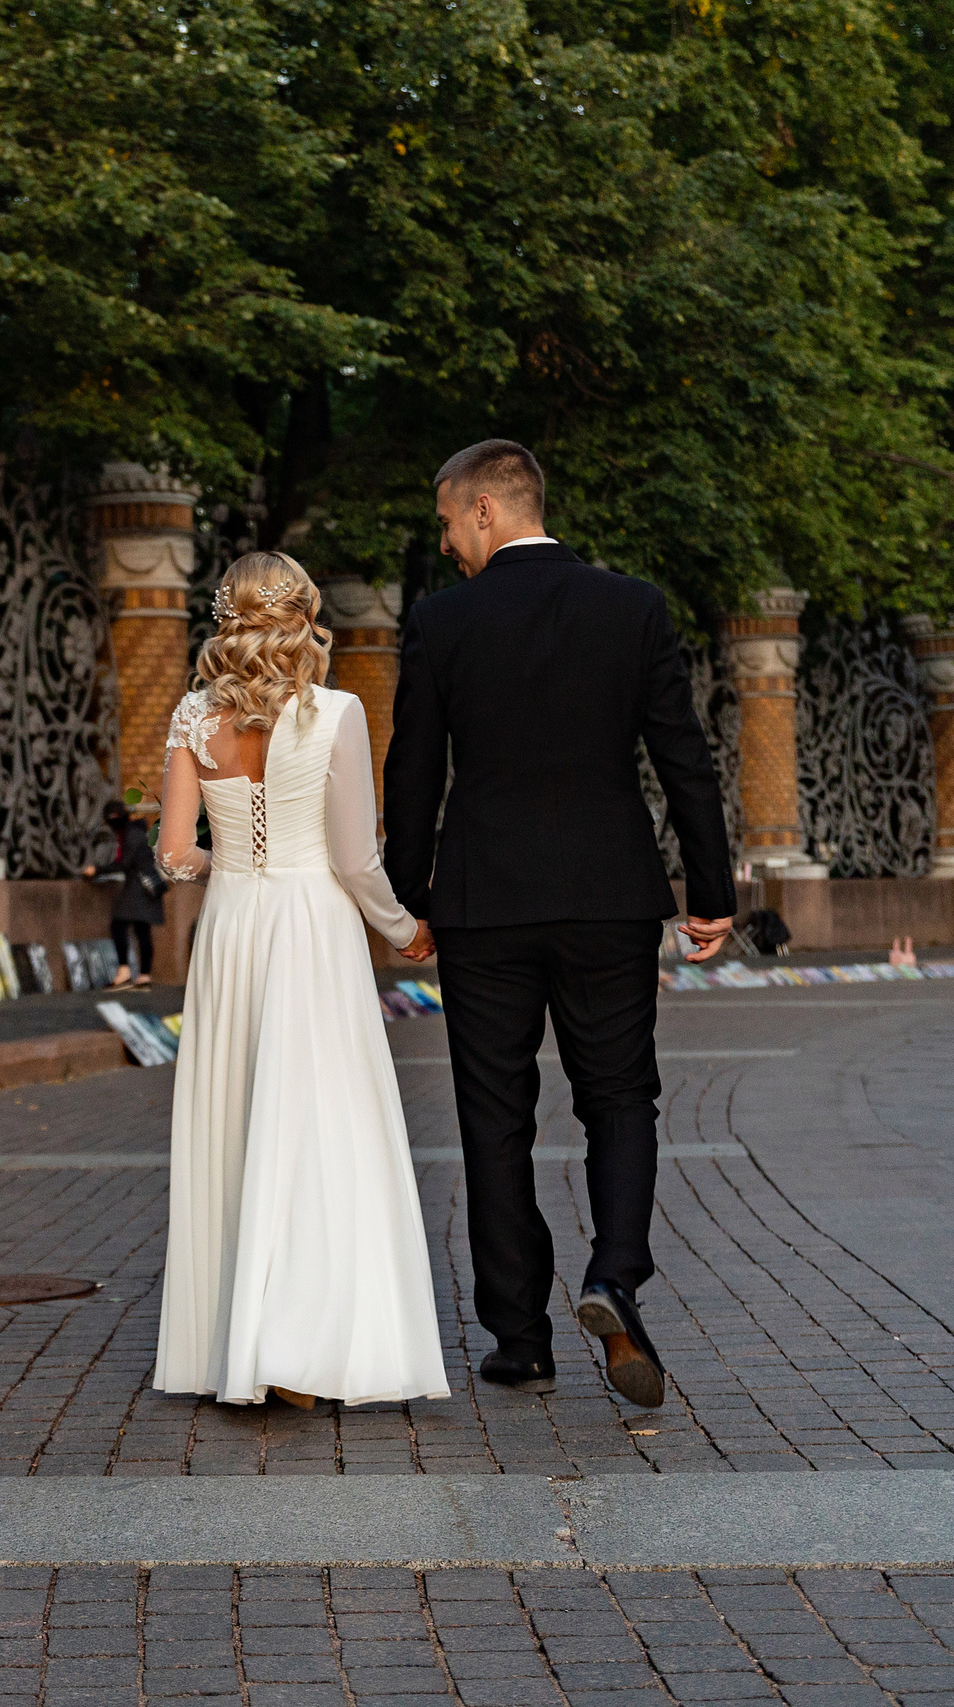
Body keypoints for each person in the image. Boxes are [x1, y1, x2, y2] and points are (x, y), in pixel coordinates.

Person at [382, 439, 735, 1409]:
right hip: (608, 893)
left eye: (450, 522)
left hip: (485, 902)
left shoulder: (444, 621)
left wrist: (406, 899)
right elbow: (683, 758)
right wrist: (710, 892)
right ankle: (612, 1275)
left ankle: (518, 1340)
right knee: (619, 1097)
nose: (448, 542)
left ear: (487, 511)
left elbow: (412, 772)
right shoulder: (631, 608)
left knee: (494, 1119)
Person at [151, 551, 450, 1409]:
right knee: (323, 1125)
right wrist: (404, 928)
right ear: (304, 615)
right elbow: (356, 858)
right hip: (313, 925)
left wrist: (229, 859)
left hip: (235, 924)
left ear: (229, 616)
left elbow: (174, 855)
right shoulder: (338, 713)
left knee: (236, 1120)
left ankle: (236, 1344)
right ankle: (301, 1343)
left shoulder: (192, 714)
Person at [80, 801, 163, 986]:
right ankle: (143, 975)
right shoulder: (132, 832)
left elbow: (125, 863)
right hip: (143, 888)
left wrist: (97, 870)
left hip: (140, 888)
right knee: (141, 930)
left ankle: (128, 970)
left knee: (120, 925)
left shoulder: (131, 835)